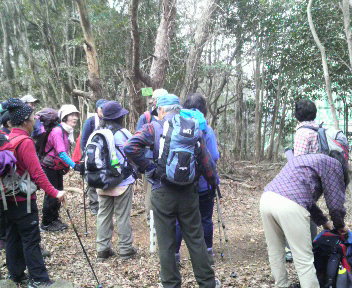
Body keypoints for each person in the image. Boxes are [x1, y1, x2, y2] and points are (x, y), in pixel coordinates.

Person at [124, 94, 221, 288]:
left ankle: (170, 283)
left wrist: (149, 168)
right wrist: (213, 182)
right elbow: (206, 161)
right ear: (178, 109)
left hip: (162, 191)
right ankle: (207, 282)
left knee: (166, 242)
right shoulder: (193, 127)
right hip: (189, 193)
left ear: (161, 110)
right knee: (195, 238)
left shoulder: (154, 127)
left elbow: (130, 147)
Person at [260, 151, 349, 288]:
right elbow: (335, 204)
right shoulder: (334, 164)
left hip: (267, 199)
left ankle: (282, 285)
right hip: (289, 206)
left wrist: (324, 222)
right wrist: (340, 225)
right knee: (304, 259)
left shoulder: (308, 159)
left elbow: (304, 198)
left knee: (275, 251)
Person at [2, 98, 65, 287]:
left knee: (12, 235)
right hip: (23, 199)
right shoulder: (24, 142)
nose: (34, 123)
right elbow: (37, 173)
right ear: (24, 121)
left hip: (5, 197)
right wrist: (55, 192)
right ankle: (38, 279)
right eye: (32, 119)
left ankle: (16, 275)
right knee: (31, 238)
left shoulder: (7, 138)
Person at [175, 93, 220, 265]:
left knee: (180, 219)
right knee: (205, 218)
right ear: (204, 109)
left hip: (181, 182)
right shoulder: (206, 129)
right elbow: (214, 156)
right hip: (203, 183)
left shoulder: (177, 125)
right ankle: (207, 253)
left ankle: (175, 255)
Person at [95, 101, 137, 261]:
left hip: (102, 182)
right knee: (122, 216)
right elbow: (134, 151)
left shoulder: (98, 133)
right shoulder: (124, 134)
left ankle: (102, 249)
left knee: (103, 215)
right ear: (119, 117)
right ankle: (125, 249)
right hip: (122, 182)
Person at [39, 104, 83, 232]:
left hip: (56, 167)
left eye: (76, 115)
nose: (75, 118)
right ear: (64, 117)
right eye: (71, 115)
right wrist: (74, 165)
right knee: (52, 194)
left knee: (59, 192)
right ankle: (46, 223)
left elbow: (65, 152)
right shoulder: (58, 131)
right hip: (49, 167)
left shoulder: (66, 131)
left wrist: (69, 165)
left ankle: (54, 219)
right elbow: (61, 153)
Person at [136, 89, 168, 223]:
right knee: (149, 188)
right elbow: (137, 140)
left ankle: (161, 214)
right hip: (149, 159)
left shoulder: (169, 117)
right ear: (155, 101)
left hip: (165, 158)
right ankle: (150, 217)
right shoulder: (146, 117)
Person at [81, 99, 108, 215]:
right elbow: (84, 139)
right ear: (97, 109)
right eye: (101, 108)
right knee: (92, 178)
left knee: (102, 177)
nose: (103, 110)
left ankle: (103, 203)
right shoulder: (91, 121)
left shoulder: (108, 121)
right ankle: (94, 205)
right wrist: (86, 154)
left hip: (104, 155)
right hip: (91, 154)